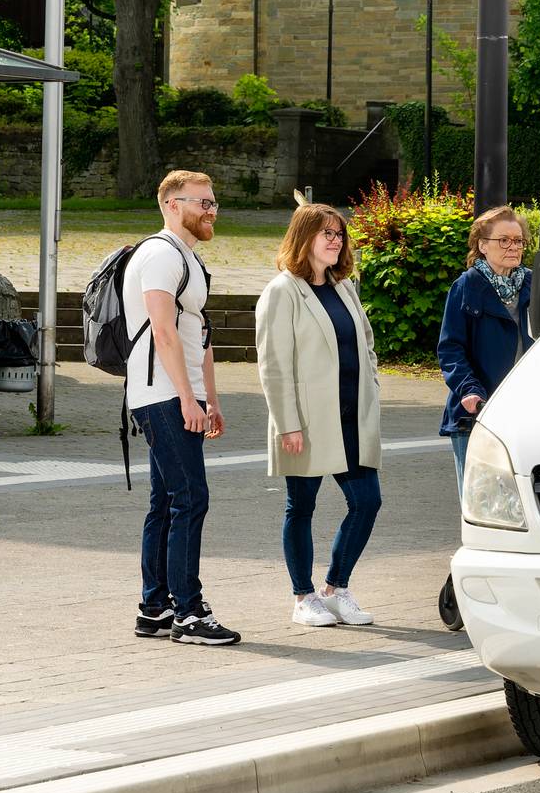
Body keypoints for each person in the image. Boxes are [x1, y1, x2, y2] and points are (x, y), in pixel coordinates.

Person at [257, 204, 384, 628]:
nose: (335, 240)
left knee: (367, 502)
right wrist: (287, 424)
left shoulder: (344, 287)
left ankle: (335, 589)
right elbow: (273, 364)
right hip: (307, 423)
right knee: (302, 507)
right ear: (303, 237)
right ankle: (303, 597)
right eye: (326, 233)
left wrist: (372, 386)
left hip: (352, 419)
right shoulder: (282, 291)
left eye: (339, 234)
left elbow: (366, 344)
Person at [127, 170, 239, 645]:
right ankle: (188, 614)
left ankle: (155, 607)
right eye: (202, 203)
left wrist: (211, 398)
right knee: (190, 499)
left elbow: (201, 336)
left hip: (179, 394)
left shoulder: (188, 258)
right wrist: (188, 399)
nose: (211, 211)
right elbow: (163, 331)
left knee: (167, 501)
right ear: (172, 205)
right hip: (163, 396)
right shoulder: (159, 254)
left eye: (213, 203)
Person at [436, 207, 533, 630]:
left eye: (518, 241)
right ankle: (462, 591)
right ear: (482, 245)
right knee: (482, 509)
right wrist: (470, 391)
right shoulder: (467, 287)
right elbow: (450, 349)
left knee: (522, 510)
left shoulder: (535, 285)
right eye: (503, 240)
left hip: (528, 415)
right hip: (477, 416)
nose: (513, 247)